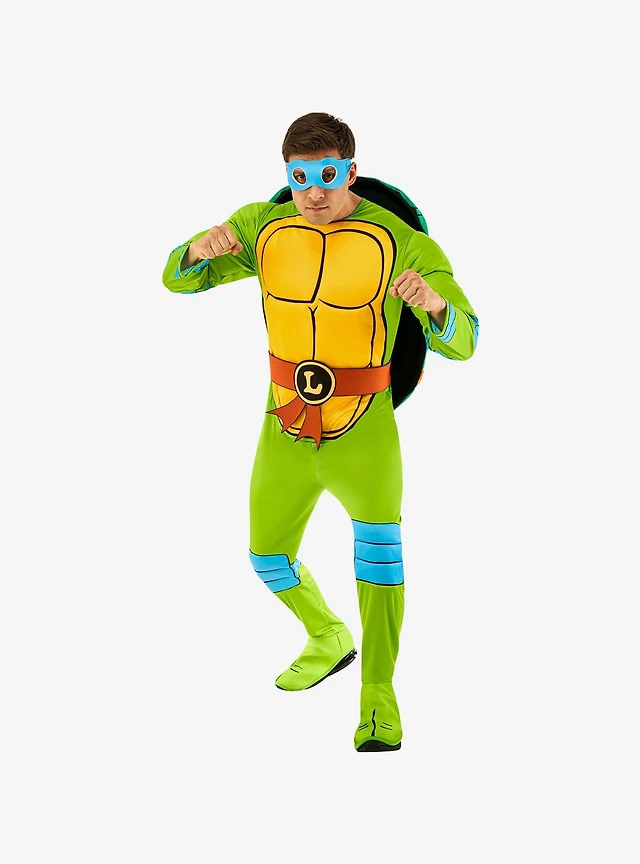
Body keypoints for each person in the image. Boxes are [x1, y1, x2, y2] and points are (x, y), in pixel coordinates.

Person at [162, 112, 479, 752]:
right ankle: (328, 635)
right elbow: (176, 279)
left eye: (327, 175)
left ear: (350, 171)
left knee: (380, 561)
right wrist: (199, 249)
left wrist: (434, 304)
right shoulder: (262, 226)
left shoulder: (403, 243)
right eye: (300, 177)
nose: (312, 193)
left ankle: (378, 693)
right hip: (284, 422)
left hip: (364, 431)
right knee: (265, 557)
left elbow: (466, 340)